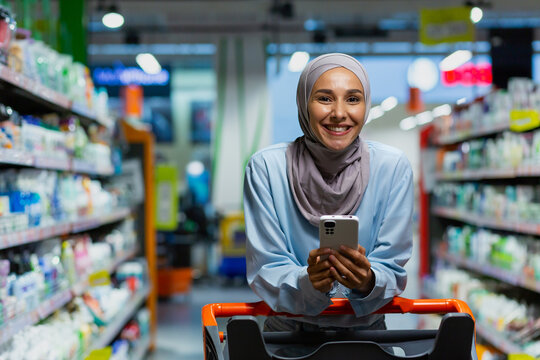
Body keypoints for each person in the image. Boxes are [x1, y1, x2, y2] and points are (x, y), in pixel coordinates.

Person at [243, 53, 413, 333]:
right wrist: (307, 281)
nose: (339, 113)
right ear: (304, 104)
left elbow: (392, 264)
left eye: (353, 99)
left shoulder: (392, 167)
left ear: (366, 105)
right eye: (324, 98)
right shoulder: (266, 168)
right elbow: (266, 267)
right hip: (288, 336)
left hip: (366, 337)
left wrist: (369, 280)